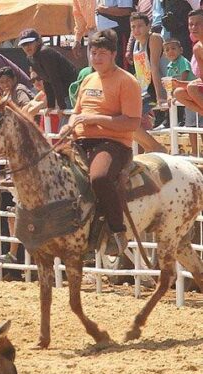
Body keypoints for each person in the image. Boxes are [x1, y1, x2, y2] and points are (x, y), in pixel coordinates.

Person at [63, 29, 142, 255]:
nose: (96, 58)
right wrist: (69, 125)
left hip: (112, 144)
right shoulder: (88, 78)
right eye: (93, 52)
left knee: (99, 177)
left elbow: (132, 123)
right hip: (80, 140)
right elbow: (76, 111)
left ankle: (117, 231)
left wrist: (94, 119)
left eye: (102, 53)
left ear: (114, 54)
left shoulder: (127, 81)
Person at [129, 12, 169, 152]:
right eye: (133, 27)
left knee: (128, 120)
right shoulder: (136, 44)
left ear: (149, 26)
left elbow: (155, 67)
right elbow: (140, 72)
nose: (136, 30)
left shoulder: (154, 38)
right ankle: (149, 148)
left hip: (160, 88)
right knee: (125, 120)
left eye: (140, 26)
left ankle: (157, 148)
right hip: (145, 90)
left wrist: (160, 96)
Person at [18, 28, 77, 111]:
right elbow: (46, 80)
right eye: (24, 45)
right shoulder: (30, 58)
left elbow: (55, 79)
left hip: (72, 94)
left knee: (67, 123)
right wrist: (51, 105)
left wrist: (61, 107)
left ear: (38, 41)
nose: (27, 47)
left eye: (29, 43)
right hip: (63, 96)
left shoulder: (45, 53)